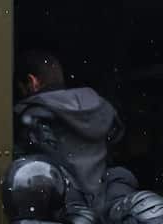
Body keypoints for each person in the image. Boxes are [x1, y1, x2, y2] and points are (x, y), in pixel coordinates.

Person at [15, 50, 124, 208]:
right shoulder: (102, 109)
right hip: (109, 217)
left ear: (32, 82)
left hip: (63, 221)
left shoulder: (33, 118)